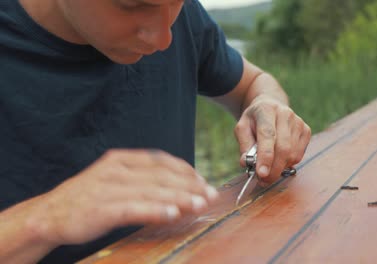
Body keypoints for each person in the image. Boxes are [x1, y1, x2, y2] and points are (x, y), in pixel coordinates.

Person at [0, 0, 312, 262]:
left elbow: (255, 83)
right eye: (132, 5)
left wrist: (268, 106)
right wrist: (46, 218)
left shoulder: (182, 16)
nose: (163, 39)